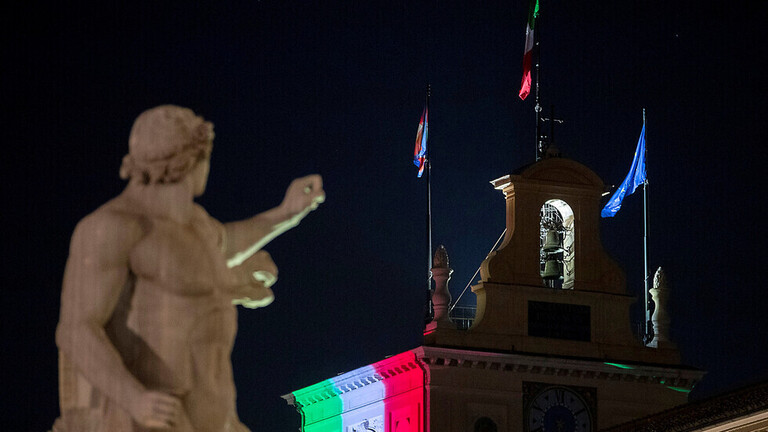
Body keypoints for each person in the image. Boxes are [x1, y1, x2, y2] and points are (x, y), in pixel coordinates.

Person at [52, 105, 325, 431]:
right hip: (157, 418)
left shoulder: (196, 225)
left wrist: (286, 213)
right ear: (192, 159)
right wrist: (134, 398)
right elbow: (76, 329)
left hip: (220, 418)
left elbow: (230, 241)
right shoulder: (113, 227)